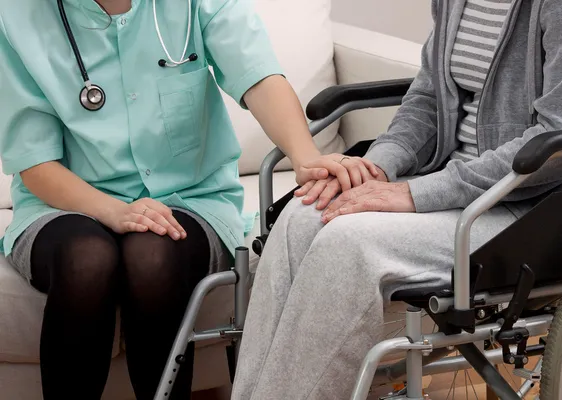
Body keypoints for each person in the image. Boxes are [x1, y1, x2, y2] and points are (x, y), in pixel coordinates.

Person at [0, 0, 377, 399]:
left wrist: (306, 158)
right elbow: (35, 161)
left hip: (191, 199)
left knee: (153, 253)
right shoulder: (18, 13)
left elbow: (258, 76)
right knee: (87, 260)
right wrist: (115, 212)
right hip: (65, 204)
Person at [231, 0, 562, 398]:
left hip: (532, 205)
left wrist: (414, 193)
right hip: (454, 188)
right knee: (304, 213)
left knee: (347, 246)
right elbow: (428, 100)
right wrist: (374, 171)